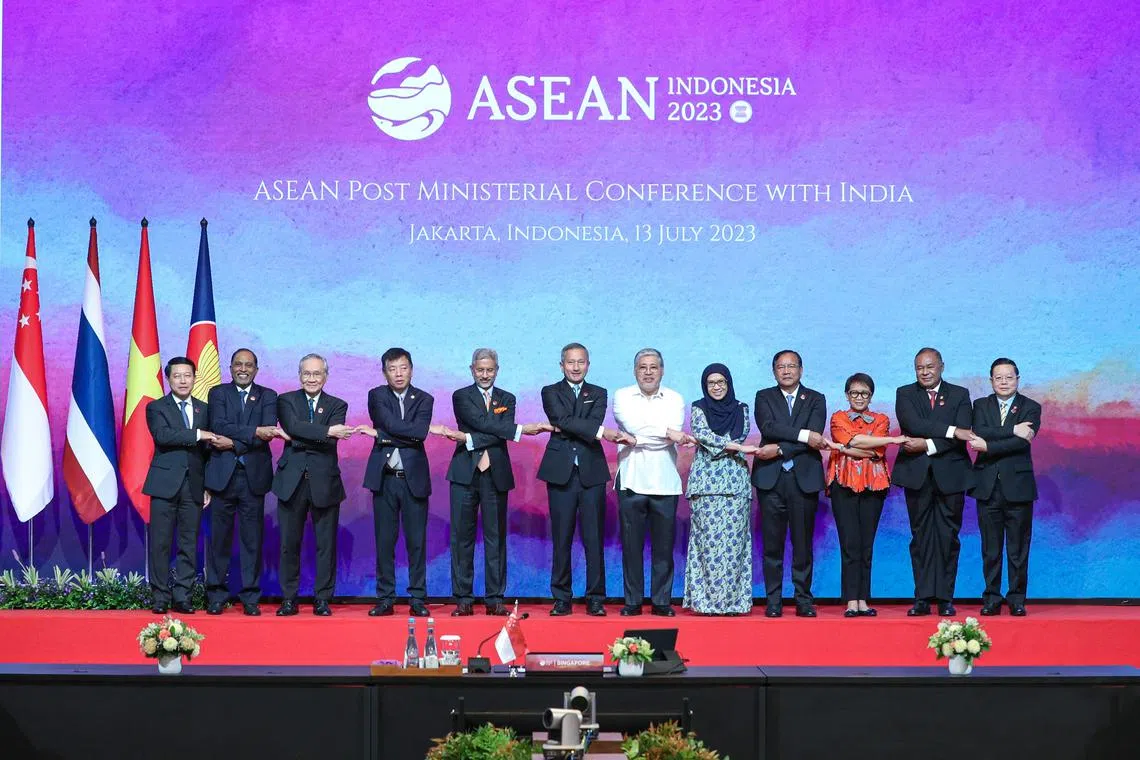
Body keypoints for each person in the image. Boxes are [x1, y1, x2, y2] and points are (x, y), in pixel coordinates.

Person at [446, 348, 551, 616]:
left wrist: (468, 439)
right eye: (480, 370)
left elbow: (491, 431)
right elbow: (480, 422)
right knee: (462, 538)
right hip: (464, 474)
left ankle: (494, 599)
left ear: (497, 370)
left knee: (495, 538)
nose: (484, 374)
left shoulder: (507, 398)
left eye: (489, 370)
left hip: (496, 475)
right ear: (471, 370)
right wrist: (518, 431)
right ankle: (464, 598)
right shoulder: (461, 396)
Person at [357, 348, 453, 618]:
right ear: (384, 372)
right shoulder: (376, 396)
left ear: (411, 369)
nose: (398, 374)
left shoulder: (424, 398)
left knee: (416, 542)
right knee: (385, 542)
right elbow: (393, 424)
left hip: (414, 478)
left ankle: (418, 597)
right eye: (392, 369)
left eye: (403, 368)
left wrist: (381, 435)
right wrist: (410, 431)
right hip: (385, 478)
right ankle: (386, 598)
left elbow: (413, 435)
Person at [537, 343, 630, 617]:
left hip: (591, 472)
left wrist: (576, 427)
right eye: (570, 362)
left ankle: (595, 598)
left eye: (581, 362)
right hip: (560, 472)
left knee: (593, 538)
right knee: (561, 537)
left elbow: (570, 424)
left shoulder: (598, 393)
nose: (575, 367)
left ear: (588, 364)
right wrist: (600, 432)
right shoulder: (550, 392)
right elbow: (561, 419)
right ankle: (562, 598)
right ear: (562, 364)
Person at [143, 357, 232, 614]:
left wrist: (208, 486)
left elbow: (207, 454)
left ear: (195, 378)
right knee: (160, 543)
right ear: (169, 379)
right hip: (163, 485)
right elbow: (163, 435)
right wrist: (197, 434)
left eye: (188, 376)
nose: (183, 380)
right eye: (177, 376)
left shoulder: (204, 409)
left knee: (188, 543)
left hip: (193, 485)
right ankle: (160, 597)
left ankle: (183, 596)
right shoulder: (156, 407)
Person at [892, 347, 973, 617]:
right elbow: (912, 423)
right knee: (921, 537)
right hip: (917, 477)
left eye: (930, 367)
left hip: (951, 475)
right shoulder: (904, 393)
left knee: (949, 537)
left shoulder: (960, 395)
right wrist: (950, 430)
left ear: (941, 366)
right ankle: (922, 597)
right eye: (919, 368)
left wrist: (927, 444)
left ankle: (946, 598)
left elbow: (962, 433)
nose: (924, 372)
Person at [613, 348, 693, 617]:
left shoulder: (674, 398)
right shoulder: (622, 396)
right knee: (631, 547)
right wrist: (666, 433)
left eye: (653, 367)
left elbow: (655, 434)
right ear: (635, 370)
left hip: (665, 482)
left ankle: (661, 601)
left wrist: (640, 437)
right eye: (642, 367)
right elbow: (633, 425)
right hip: (631, 480)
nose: (648, 372)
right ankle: (632, 601)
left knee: (663, 548)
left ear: (662, 370)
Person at [272, 354, 353, 617]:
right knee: (288, 543)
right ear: (299, 375)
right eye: (307, 373)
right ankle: (288, 598)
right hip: (291, 482)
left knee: (326, 544)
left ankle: (322, 598)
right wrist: (326, 431)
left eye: (317, 374)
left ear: (325, 376)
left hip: (324, 481)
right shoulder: (285, 400)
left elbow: (311, 438)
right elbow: (293, 425)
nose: (311, 379)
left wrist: (297, 438)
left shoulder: (338, 404)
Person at [204, 348, 281, 616]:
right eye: (238, 364)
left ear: (256, 369)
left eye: (249, 365)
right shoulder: (218, 393)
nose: (243, 369)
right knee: (219, 541)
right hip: (222, 478)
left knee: (252, 541)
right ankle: (215, 595)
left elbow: (268, 432)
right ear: (231, 367)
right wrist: (252, 433)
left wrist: (234, 443)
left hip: (253, 478)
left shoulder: (268, 396)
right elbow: (219, 425)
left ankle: (250, 596)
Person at [752, 350, 828, 618]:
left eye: (791, 366)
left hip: (803, 479)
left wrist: (781, 450)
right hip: (771, 480)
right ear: (774, 371)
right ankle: (773, 600)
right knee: (772, 544)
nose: (786, 371)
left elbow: (817, 436)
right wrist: (804, 436)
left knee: (803, 543)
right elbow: (769, 428)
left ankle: (803, 599)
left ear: (801, 369)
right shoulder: (764, 397)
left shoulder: (816, 399)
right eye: (781, 367)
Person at [826, 373, 905, 618]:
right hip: (844, 483)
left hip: (874, 484)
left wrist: (853, 448)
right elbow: (850, 440)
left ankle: (863, 599)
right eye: (854, 393)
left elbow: (876, 450)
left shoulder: (881, 419)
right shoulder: (838, 417)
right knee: (849, 544)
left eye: (864, 393)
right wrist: (886, 441)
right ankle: (851, 600)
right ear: (847, 395)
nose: (859, 397)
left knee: (866, 544)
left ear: (871, 395)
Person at [968, 358, 1041, 617]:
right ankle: (991, 597)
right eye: (998, 377)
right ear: (991, 381)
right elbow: (980, 431)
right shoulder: (980, 405)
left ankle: (1017, 598)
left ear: (1017, 379)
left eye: (1009, 377)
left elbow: (1022, 443)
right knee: (990, 547)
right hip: (987, 486)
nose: (1003, 382)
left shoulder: (1031, 407)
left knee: (1018, 548)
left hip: (1018, 487)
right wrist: (1012, 429)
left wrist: (989, 446)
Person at [683, 363, 756, 616]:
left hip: (735, 483)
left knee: (735, 545)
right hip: (705, 485)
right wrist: (733, 447)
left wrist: (733, 446)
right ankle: (706, 603)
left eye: (721, 382)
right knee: (707, 543)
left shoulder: (741, 409)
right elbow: (702, 434)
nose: (716, 387)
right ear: (705, 385)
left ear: (729, 383)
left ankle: (733, 603)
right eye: (711, 383)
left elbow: (741, 436)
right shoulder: (698, 408)